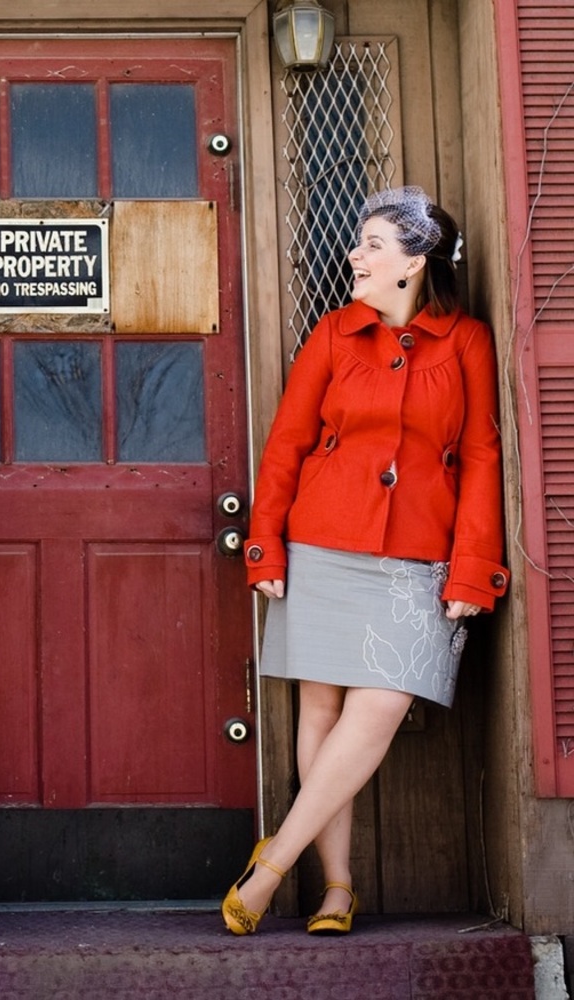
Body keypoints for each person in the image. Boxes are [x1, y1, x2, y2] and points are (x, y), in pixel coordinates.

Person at [221, 186, 508, 936]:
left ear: (415, 263)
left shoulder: (467, 341)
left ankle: (272, 862)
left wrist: (473, 567)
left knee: (381, 705)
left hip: (421, 555)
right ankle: (337, 889)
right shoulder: (333, 334)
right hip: (322, 541)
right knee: (320, 708)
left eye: (373, 244)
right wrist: (265, 545)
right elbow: (285, 444)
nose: (356, 254)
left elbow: (480, 457)